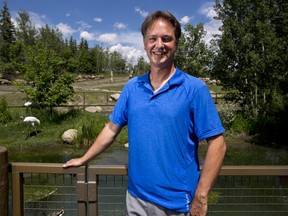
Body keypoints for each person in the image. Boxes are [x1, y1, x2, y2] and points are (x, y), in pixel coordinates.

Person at [63, 10, 226, 216]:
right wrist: (84, 159)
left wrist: (201, 196)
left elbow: (218, 144)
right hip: (136, 199)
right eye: (153, 39)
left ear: (176, 44)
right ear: (144, 44)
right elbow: (111, 129)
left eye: (167, 39)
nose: (159, 45)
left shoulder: (194, 89)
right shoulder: (133, 87)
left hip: (176, 203)